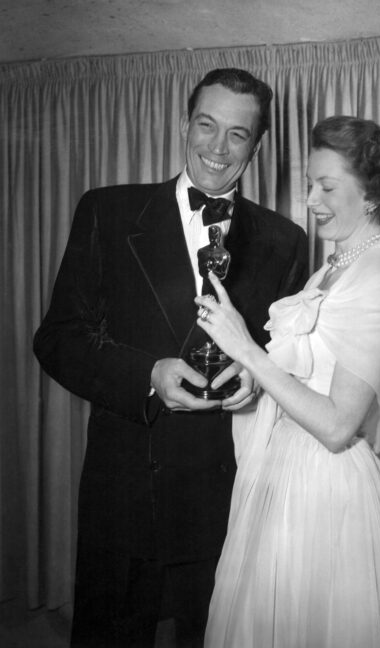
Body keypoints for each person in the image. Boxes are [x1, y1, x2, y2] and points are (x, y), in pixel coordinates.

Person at [33, 68, 309, 648]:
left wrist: (257, 379)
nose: (217, 147)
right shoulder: (107, 212)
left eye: (238, 134)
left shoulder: (286, 241)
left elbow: (290, 361)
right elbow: (58, 339)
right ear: (185, 123)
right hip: (126, 485)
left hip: (226, 495)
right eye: (207, 125)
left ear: (256, 146)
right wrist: (148, 375)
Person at [195, 116, 380, 647]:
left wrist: (246, 346)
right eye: (309, 184)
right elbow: (301, 375)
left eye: (327, 186)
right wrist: (250, 376)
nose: (311, 199)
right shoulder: (329, 272)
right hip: (284, 477)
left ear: (374, 193)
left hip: (330, 490)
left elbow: (337, 426)